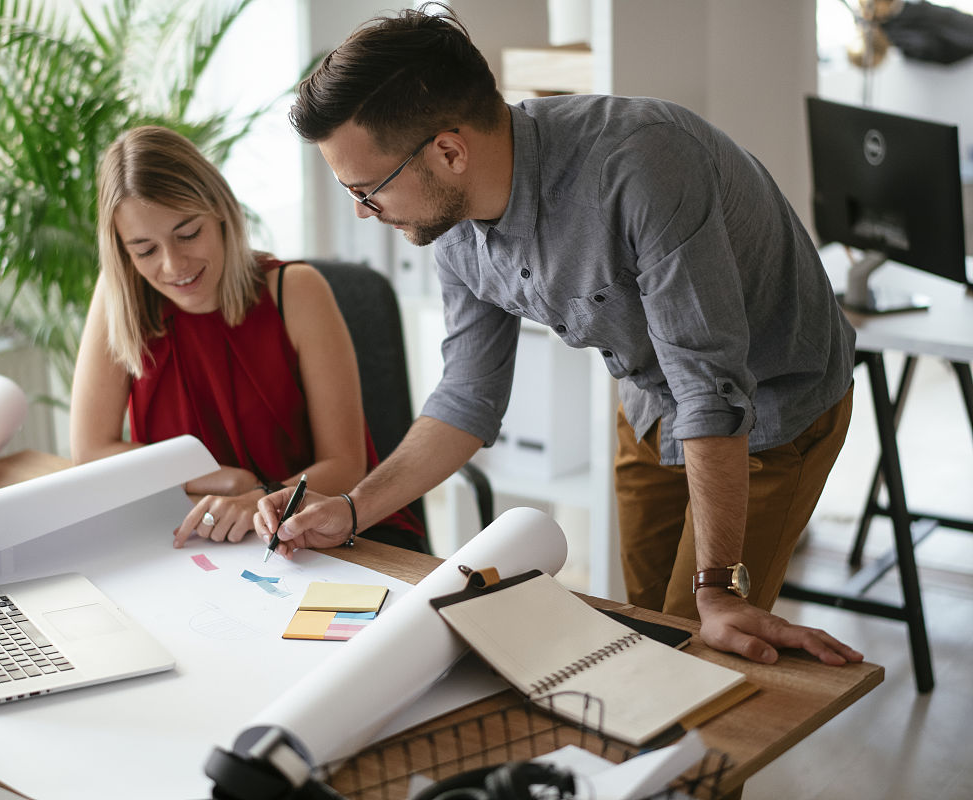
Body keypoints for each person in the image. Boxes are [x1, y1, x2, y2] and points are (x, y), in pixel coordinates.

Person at [256, 3, 864, 667]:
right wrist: (351, 507)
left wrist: (719, 589)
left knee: (710, 654)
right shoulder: (452, 228)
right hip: (649, 399)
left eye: (368, 190)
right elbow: (467, 397)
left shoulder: (640, 166)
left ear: (450, 151)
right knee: (654, 635)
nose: (361, 210)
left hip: (772, 404)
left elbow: (712, 389)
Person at [71, 125, 425, 552]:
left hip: (313, 531)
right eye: (145, 250)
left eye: (187, 234)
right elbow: (90, 453)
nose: (173, 265)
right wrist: (223, 479)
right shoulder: (118, 298)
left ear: (220, 213)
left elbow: (346, 465)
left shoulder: (296, 291)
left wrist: (260, 495)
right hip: (201, 537)